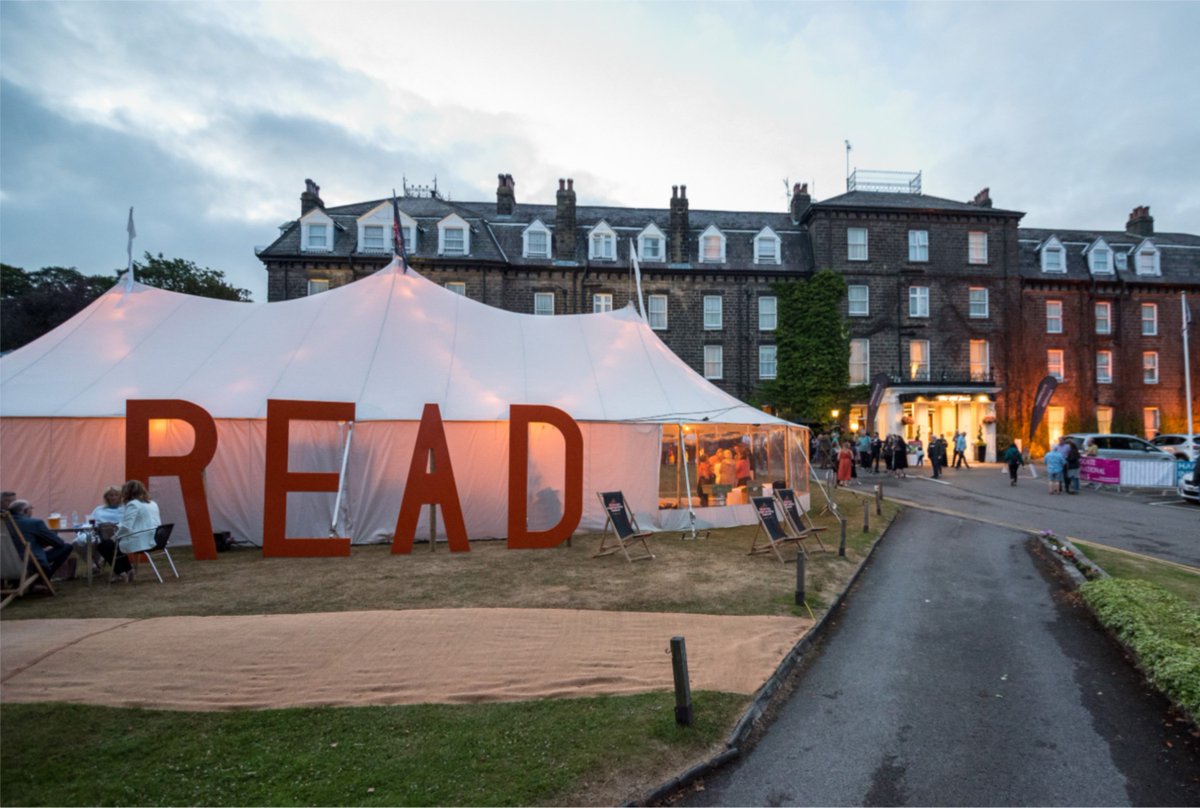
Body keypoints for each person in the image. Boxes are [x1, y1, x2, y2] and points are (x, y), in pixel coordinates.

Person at [97, 479, 161, 583]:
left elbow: (127, 527)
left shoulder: (133, 504)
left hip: (141, 541)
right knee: (113, 545)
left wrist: (115, 537)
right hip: (154, 538)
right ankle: (128, 569)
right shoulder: (152, 503)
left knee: (104, 545)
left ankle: (121, 572)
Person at [5, 499, 77, 580]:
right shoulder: (34, 523)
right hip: (31, 562)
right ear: (25, 511)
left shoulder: (3, 523)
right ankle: (44, 578)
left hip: (5, 564)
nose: (31, 511)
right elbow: (59, 543)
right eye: (31, 509)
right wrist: (40, 543)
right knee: (67, 547)